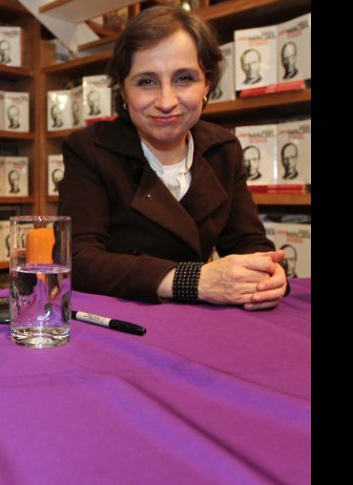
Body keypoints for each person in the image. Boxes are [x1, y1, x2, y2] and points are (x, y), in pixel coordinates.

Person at [57, 6, 287, 311]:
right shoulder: (89, 149)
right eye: (146, 82)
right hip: (121, 319)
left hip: (200, 319)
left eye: (184, 78)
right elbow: (78, 260)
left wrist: (269, 273)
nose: (166, 102)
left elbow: (249, 244)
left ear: (207, 85)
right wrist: (193, 280)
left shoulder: (224, 149)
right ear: (123, 90)